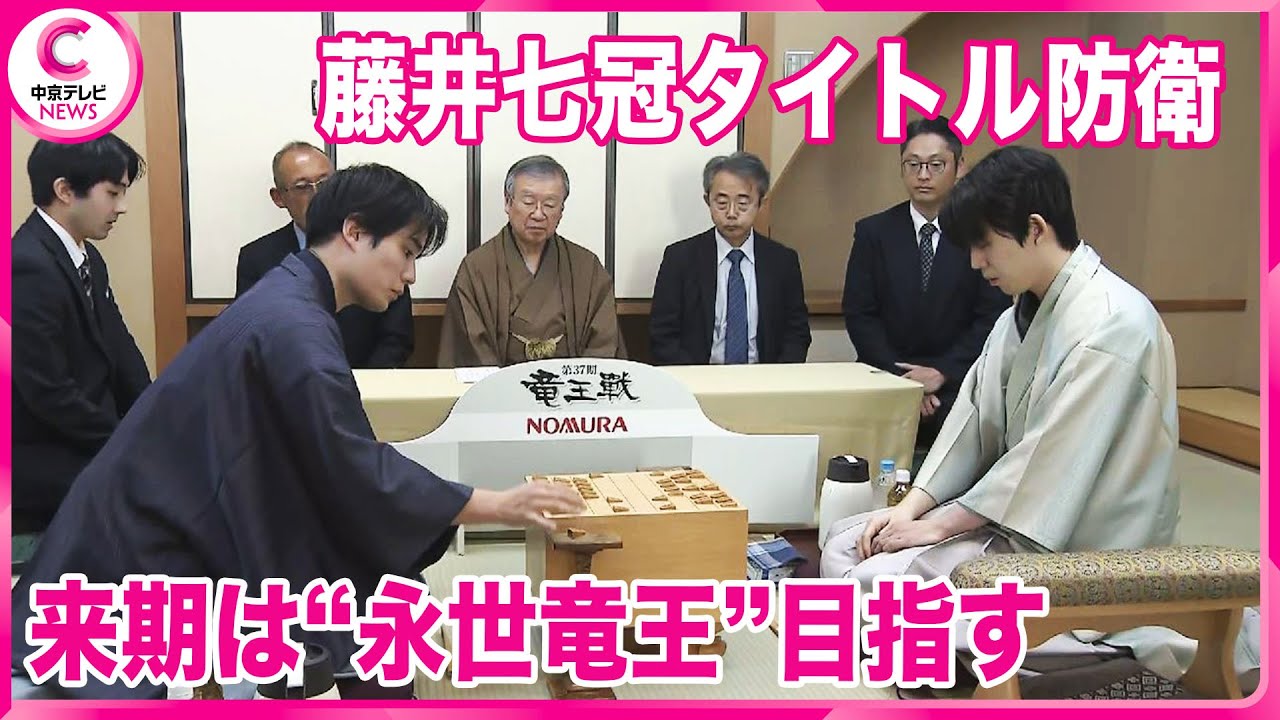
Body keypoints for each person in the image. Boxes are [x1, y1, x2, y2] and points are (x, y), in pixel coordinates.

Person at [11, 164, 584, 700]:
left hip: (156, 521)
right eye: (406, 252)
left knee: (358, 580)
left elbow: (325, 457)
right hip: (133, 552)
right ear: (355, 233)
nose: (410, 275)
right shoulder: (294, 326)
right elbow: (350, 463)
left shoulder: (291, 297)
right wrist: (491, 503)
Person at [822, 145, 1188, 677]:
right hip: (1014, 518)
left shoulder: (1115, 324)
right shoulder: (1020, 313)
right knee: (845, 540)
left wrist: (938, 527)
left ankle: (1069, 658)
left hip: (1079, 544)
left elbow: (1051, 462)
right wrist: (911, 510)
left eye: (984, 244)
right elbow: (972, 420)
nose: (976, 262)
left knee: (875, 581)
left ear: (1034, 229)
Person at [11, 134, 151, 564]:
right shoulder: (26, 264)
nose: (121, 207)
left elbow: (122, 350)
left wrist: (155, 416)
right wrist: (126, 441)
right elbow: (47, 391)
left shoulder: (86, 255)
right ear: (65, 190)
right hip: (47, 461)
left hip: (89, 442)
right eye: (113, 193)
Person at [842, 117, 1008, 451]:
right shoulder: (874, 232)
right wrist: (905, 383)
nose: (923, 175)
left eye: (935, 164)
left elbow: (992, 317)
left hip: (960, 383)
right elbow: (860, 314)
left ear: (960, 167)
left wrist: (941, 373)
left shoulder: (981, 233)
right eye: (913, 164)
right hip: (886, 379)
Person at [236, 141, 413, 368]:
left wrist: (358, 382)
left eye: (326, 183)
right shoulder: (256, 257)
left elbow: (396, 338)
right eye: (302, 187)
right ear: (278, 197)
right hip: (289, 383)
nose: (317, 194)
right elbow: (251, 338)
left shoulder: (375, 246)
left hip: (366, 382)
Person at [438, 155, 623, 366]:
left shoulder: (586, 268)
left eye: (550, 204)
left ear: (562, 210)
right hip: (501, 385)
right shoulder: (477, 268)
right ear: (508, 202)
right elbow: (471, 349)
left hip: (572, 385)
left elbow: (604, 344)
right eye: (528, 202)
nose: (538, 214)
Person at [649, 151, 811, 365]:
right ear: (707, 200)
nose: (732, 213)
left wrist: (777, 377)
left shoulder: (782, 261)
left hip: (766, 378)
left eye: (743, 203)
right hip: (697, 378)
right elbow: (662, 335)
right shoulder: (680, 259)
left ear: (761, 203)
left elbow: (797, 333)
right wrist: (695, 378)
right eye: (722, 203)